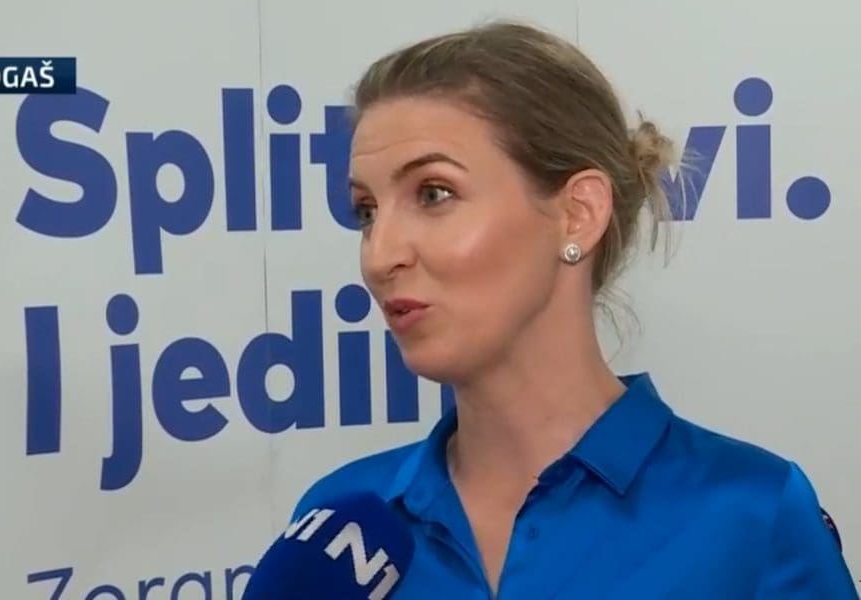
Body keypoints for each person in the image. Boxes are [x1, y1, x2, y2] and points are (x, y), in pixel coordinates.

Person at [287, 19, 858, 598]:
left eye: (434, 194)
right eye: (366, 211)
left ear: (578, 214)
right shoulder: (337, 535)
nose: (379, 255)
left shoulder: (752, 515)